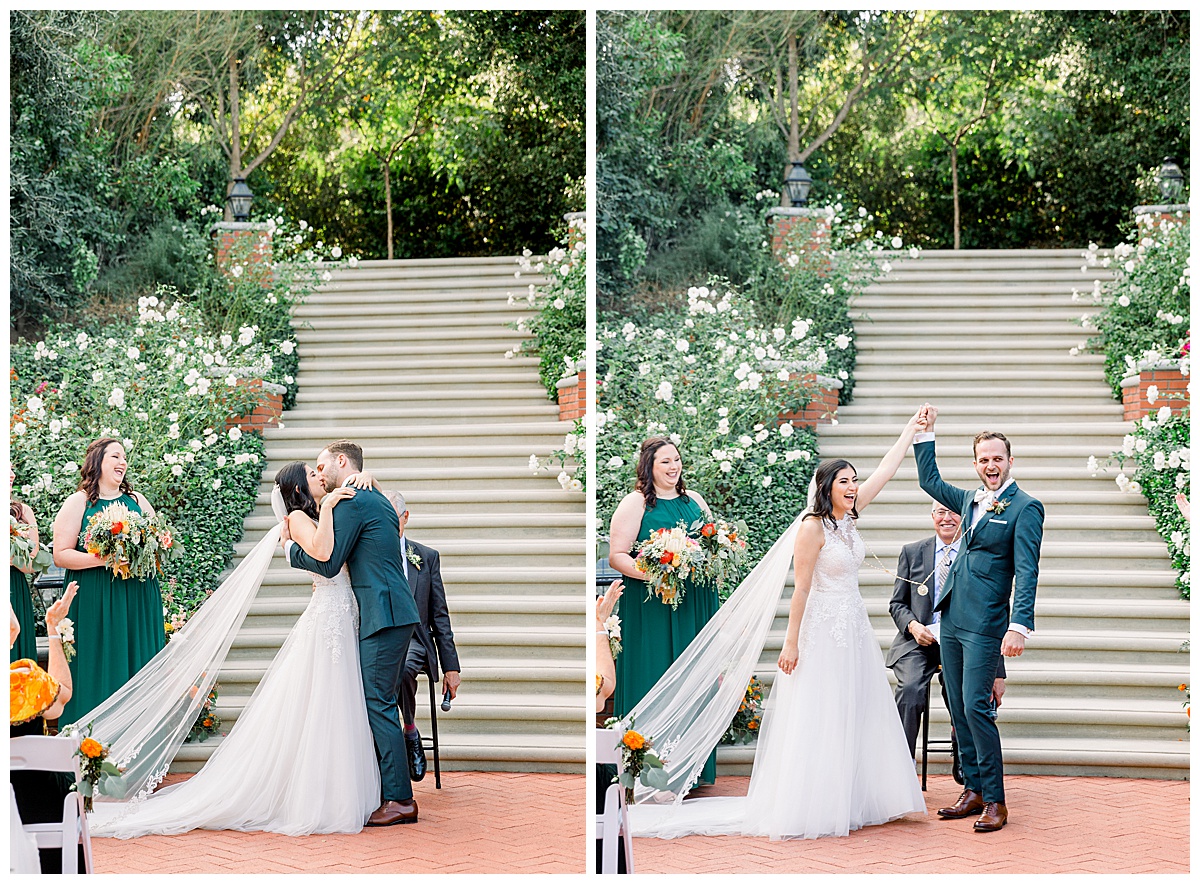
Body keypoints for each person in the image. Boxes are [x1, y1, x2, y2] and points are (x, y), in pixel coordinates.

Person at [629, 412, 928, 841]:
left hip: (854, 627)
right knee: (823, 710)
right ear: (826, 488)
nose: (852, 487)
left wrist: (908, 433)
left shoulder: (850, 516)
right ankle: (817, 801)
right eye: (843, 482)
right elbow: (801, 590)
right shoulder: (812, 528)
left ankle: (855, 796)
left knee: (856, 704)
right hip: (822, 628)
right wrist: (791, 645)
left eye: (854, 481)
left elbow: (886, 470)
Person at [88, 461, 378, 837]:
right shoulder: (299, 520)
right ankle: (322, 796)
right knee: (326, 699)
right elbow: (324, 555)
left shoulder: (318, 512)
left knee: (335, 701)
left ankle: (339, 784)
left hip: (340, 613)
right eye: (311, 474)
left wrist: (360, 479)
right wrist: (330, 508)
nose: (319, 476)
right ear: (298, 490)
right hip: (329, 617)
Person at [913, 405, 1044, 833]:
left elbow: (1027, 571)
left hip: (987, 623)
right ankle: (972, 789)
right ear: (976, 464)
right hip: (950, 617)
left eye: (997, 458)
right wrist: (925, 435)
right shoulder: (969, 500)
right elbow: (928, 481)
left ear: (1010, 461)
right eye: (983, 459)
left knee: (976, 706)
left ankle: (996, 801)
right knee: (959, 709)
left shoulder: (1026, 507)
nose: (991, 465)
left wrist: (1019, 625)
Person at [283, 439, 421, 827]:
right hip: (386, 610)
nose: (320, 473)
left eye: (322, 465)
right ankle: (384, 788)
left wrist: (291, 550)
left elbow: (328, 566)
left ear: (341, 461)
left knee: (377, 702)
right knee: (377, 700)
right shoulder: (369, 493)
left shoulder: (352, 500)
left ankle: (400, 799)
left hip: (384, 612)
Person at [607, 437, 719, 785]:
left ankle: (689, 771)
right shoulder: (636, 503)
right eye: (664, 462)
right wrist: (657, 574)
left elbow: (713, 545)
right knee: (652, 672)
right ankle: (647, 773)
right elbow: (617, 555)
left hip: (694, 603)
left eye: (676, 460)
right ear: (649, 467)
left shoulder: (695, 501)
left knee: (693, 677)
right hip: (652, 605)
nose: (673, 467)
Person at [52, 438, 165, 724]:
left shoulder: (138, 501)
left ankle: (140, 745)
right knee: (96, 662)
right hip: (95, 597)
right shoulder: (79, 502)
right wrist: (106, 559)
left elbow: (159, 544)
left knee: (140, 661)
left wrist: (147, 550)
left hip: (137, 597)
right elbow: (61, 555)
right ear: (98, 462)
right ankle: (89, 745)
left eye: (124, 457)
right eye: (115, 456)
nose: (122, 462)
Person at [886, 501, 1006, 768]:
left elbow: (991, 613)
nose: (947, 518)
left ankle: (965, 757)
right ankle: (900, 770)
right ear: (932, 517)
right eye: (940, 512)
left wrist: (997, 671)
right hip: (918, 641)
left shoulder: (978, 552)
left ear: (964, 517)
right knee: (910, 690)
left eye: (953, 511)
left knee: (965, 695)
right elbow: (897, 604)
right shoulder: (912, 552)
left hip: (963, 640)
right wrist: (914, 626)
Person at [382, 489, 461, 783]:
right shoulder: (369, 553)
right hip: (378, 634)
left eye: (393, 519)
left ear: (405, 517)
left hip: (414, 639)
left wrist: (451, 666)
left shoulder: (426, 557)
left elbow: (440, 614)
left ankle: (410, 731)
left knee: (400, 670)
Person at [10, 581, 83, 872]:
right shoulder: (22, 681)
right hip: (36, 806)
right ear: (12, 631)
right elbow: (62, 694)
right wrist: (52, 627)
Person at [10, 465, 40, 663]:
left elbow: (34, 563)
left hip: (14, 589)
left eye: (12, 469)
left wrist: (12, 558)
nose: (12, 474)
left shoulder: (22, 512)